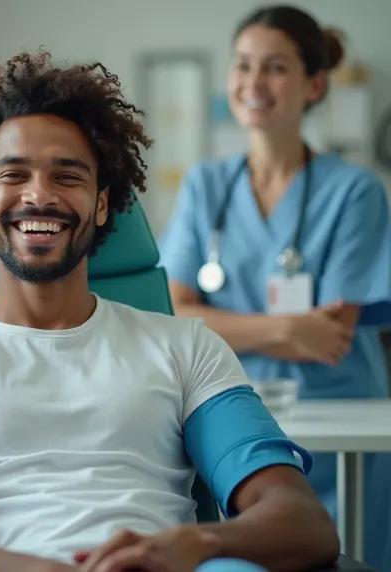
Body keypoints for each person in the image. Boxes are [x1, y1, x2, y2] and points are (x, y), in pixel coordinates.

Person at [0, 50, 340, 572]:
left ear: (101, 204)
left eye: (67, 177)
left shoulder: (187, 349)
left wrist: (200, 544)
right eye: (14, 174)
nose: (39, 195)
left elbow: (302, 519)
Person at [158, 5, 391, 572]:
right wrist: (289, 329)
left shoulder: (355, 191)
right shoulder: (206, 184)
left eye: (276, 68)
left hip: (344, 426)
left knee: (354, 556)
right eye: (242, 66)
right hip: (233, 418)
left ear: (314, 84)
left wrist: (214, 324)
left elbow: (332, 337)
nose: (254, 84)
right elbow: (171, 314)